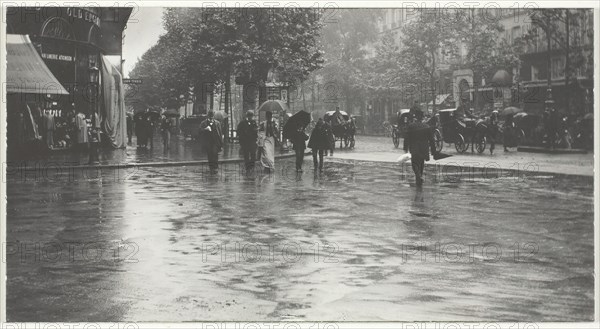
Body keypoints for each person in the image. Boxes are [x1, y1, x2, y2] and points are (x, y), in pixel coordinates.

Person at [404, 115, 437, 187]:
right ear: (422, 119)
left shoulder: (411, 126)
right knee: (421, 163)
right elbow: (431, 139)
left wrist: (405, 148)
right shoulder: (426, 126)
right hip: (424, 148)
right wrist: (433, 150)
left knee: (414, 164)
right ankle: (419, 177)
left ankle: (418, 176)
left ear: (415, 118)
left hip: (414, 147)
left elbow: (406, 137)